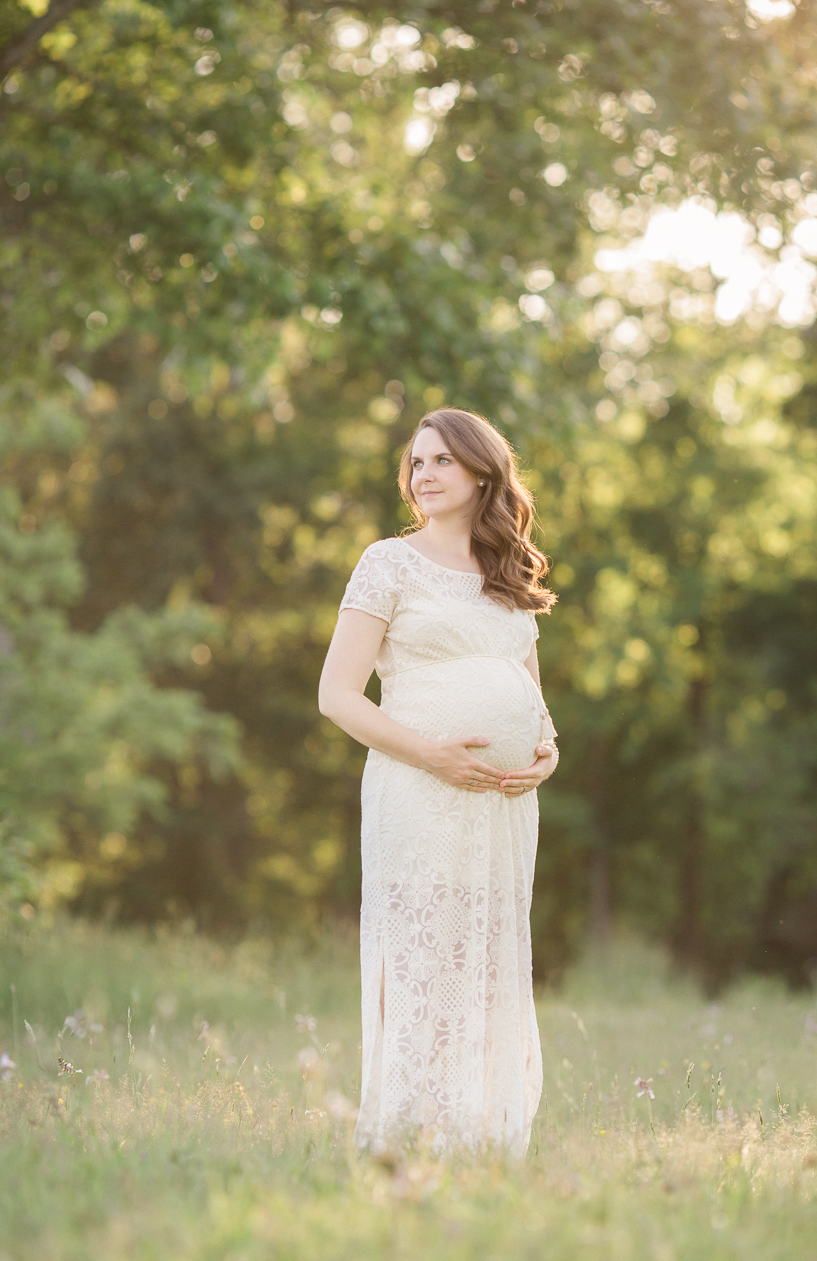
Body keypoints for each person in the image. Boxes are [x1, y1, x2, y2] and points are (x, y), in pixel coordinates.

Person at [318, 407, 558, 1156]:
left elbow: (535, 701)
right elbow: (337, 696)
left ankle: (481, 1133)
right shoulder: (386, 563)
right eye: (416, 463)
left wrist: (549, 753)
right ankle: (410, 1135)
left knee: (487, 954)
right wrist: (435, 756)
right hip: (419, 791)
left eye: (441, 462)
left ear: (483, 471)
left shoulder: (509, 576)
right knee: (427, 952)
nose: (423, 475)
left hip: (503, 806)